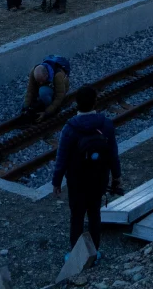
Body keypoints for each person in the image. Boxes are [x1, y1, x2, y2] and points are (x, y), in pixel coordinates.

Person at [52, 84, 122, 258]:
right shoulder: (105, 124)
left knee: (76, 216)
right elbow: (113, 154)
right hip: (99, 179)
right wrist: (116, 177)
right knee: (94, 214)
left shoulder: (70, 128)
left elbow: (62, 158)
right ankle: (94, 252)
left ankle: (75, 254)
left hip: (77, 181)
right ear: (95, 102)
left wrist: (56, 182)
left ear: (77, 103)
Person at [22, 56, 70, 123]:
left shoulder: (58, 75)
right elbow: (30, 90)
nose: (40, 83)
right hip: (49, 86)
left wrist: (46, 112)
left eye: (41, 81)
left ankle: (52, 110)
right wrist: (25, 107)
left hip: (60, 90)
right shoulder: (34, 72)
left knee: (43, 92)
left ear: (47, 75)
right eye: (38, 81)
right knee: (27, 103)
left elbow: (59, 96)